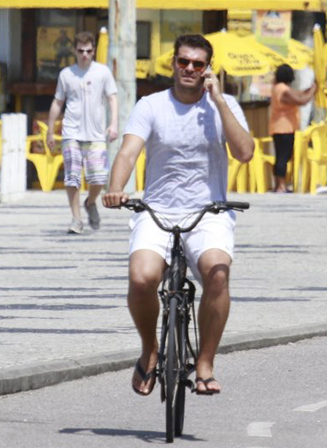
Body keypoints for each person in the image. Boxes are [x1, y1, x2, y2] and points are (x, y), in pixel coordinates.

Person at [102, 34, 254, 395]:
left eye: (198, 64)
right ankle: (150, 350)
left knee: (217, 274)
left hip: (208, 212)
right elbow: (127, 153)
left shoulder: (224, 104)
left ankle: (205, 362)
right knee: (142, 278)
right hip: (156, 210)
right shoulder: (151, 105)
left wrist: (218, 101)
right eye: (183, 61)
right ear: (173, 63)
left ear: (208, 70)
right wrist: (116, 188)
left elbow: (245, 152)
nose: (189, 69)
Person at [47, 31, 118, 235]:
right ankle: (76, 219)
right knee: (72, 178)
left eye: (88, 51)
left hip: (96, 134)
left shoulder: (103, 72)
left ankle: (90, 202)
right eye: (81, 51)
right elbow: (58, 101)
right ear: (75, 51)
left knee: (98, 179)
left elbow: (112, 98)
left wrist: (113, 124)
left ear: (94, 50)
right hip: (71, 132)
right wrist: (51, 131)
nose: (85, 55)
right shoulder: (66, 74)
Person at [269, 64, 316, 193]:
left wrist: (310, 88)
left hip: (279, 127)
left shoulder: (278, 88)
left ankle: (278, 185)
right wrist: (314, 90)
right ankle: (281, 186)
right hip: (284, 128)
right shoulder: (283, 90)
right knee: (283, 157)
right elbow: (301, 101)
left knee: (280, 157)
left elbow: (299, 93)